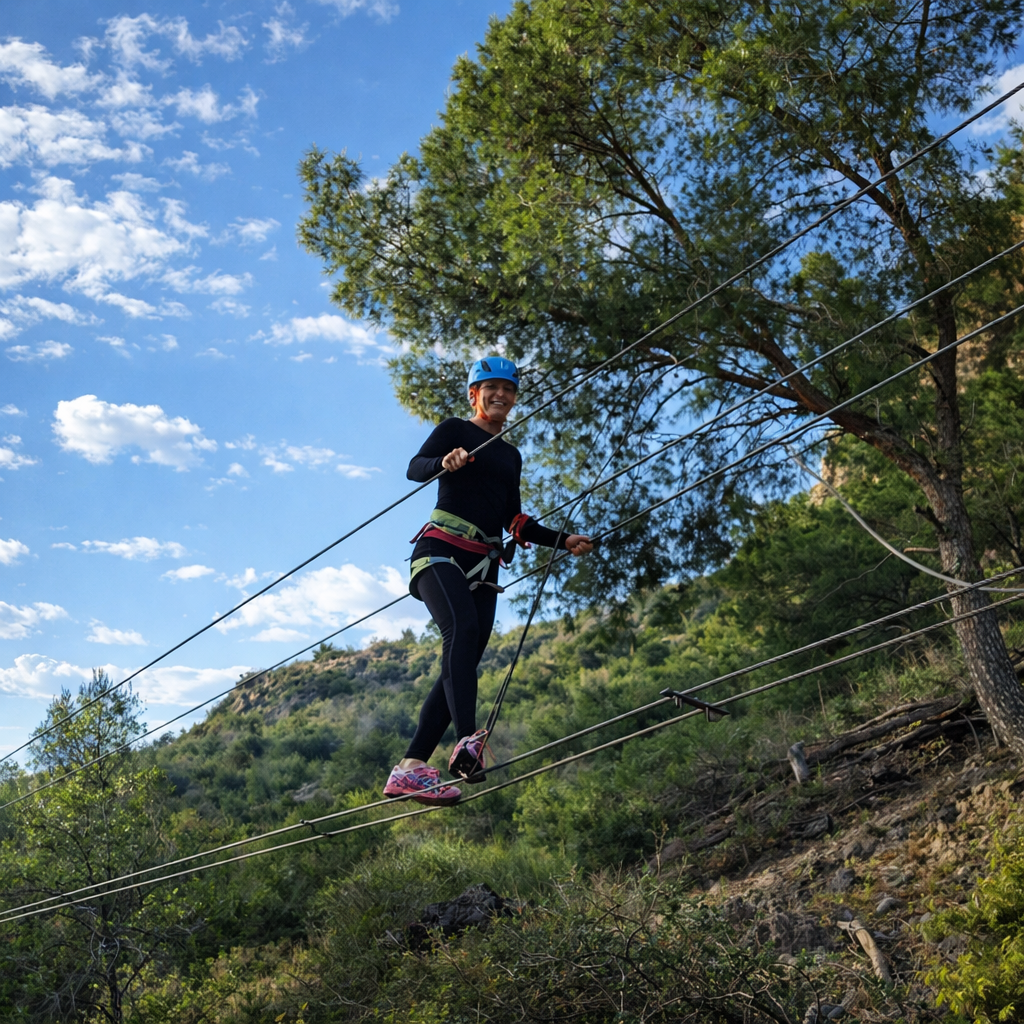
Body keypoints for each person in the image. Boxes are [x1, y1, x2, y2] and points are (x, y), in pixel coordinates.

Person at [383, 357, 593, 805]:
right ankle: (466, 742)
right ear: (474, 394)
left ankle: (410, 767)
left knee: (466, 656)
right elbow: (414, 467)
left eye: (509, 389)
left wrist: (562, 539)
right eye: (491, 387)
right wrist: (445, 461)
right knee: (463, 631)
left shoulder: (510, 455)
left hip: (484, 563)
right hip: (440, 551)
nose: (501, 395)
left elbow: (513, 520)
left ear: (515, 398)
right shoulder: (456, 430)